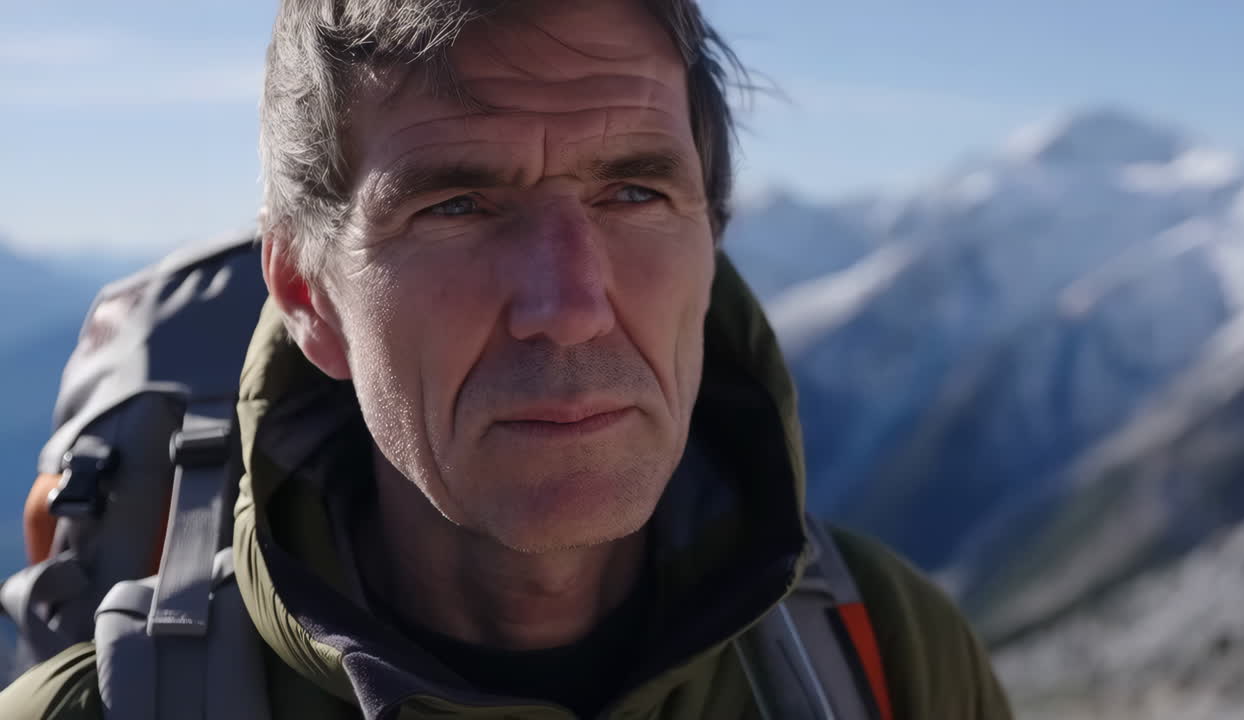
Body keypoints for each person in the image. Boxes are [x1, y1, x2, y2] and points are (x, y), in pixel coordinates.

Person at [0, 0, 1012, 717]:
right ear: (310, 296)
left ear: (710, 244)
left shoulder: (883, 651)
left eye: (632, 193)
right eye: (458, 205)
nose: (567, 307)